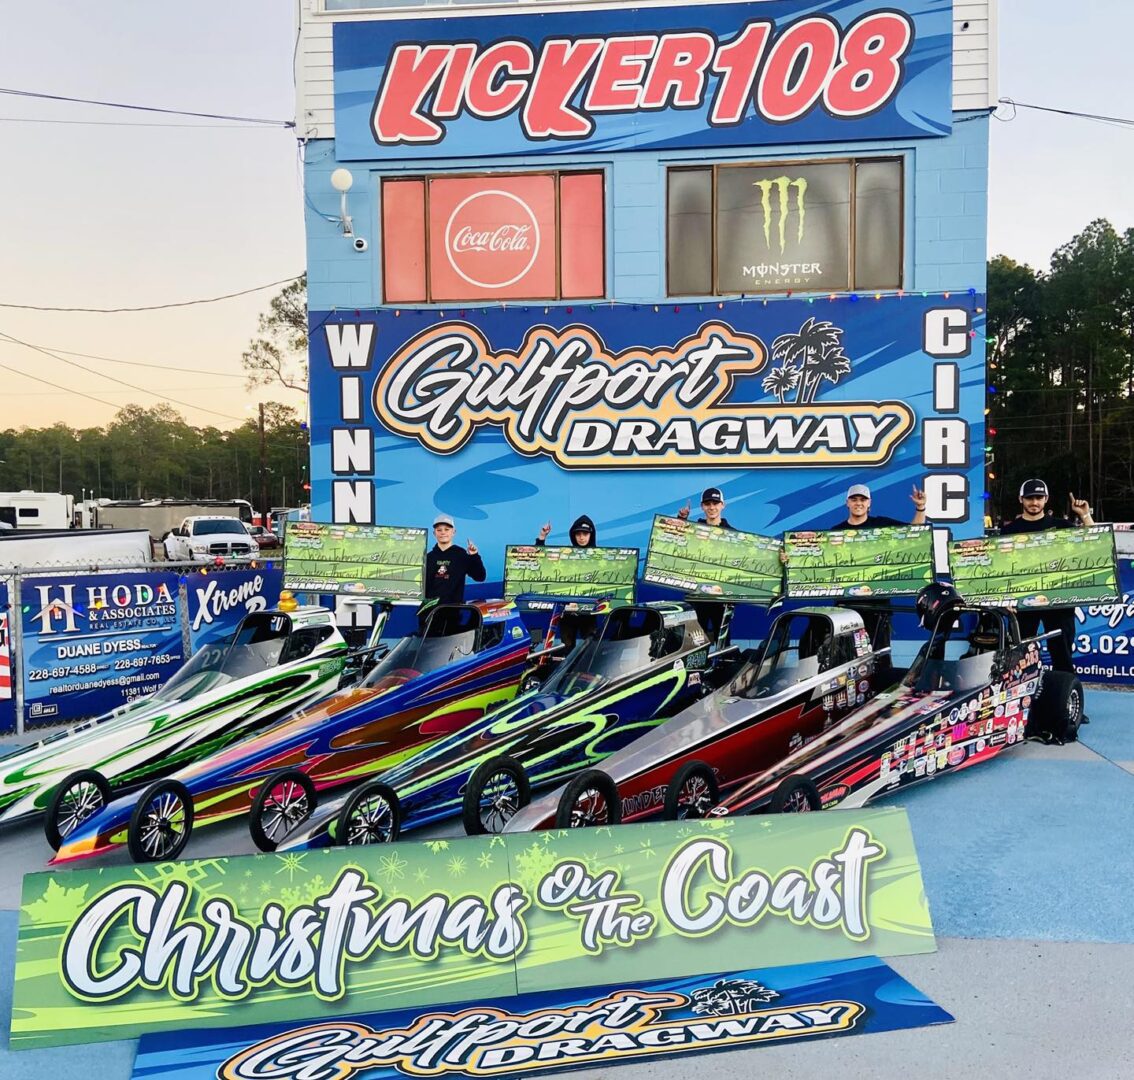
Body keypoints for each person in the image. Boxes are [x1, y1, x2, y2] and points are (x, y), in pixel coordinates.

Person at [999, 479, 1094, 675]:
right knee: (1019, 654)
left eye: (1039, 498)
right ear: (1021, 499)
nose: (1034, 502)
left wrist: (1085, 515)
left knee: (1062, 652)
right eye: (1029, 498)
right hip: (1022, 599)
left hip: (1058, 599)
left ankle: (1066, 689)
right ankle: (1020, 691)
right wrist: (1005, 597)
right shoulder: (1008, 531)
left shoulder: (1062, 526)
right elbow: (1001, 567)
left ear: (1046, 499)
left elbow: (1095, 542)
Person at [424, 513, 486, 604]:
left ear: (454, 532)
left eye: (447, 529)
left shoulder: (461, 555)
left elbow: (480, 577)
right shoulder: (428, 558)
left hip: (454, 610)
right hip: (429, 610)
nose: (443, 532)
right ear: (434, 533)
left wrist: (474, 556)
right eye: (439, 530)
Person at [831, 483, 926, 529]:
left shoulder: (882, 524)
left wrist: (920, 507)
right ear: (847, 503)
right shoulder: (837, 530)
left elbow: (914, 531)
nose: (858, 503)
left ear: (869, 503)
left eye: (863, 500)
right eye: (854, 500)